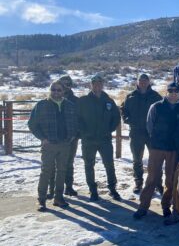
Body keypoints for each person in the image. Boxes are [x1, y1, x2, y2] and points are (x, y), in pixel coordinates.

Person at [133, 82, 179, 220]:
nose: (173, 93)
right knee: (152, 177)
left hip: (173, 149)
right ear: (167, 92)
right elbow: (149, 125)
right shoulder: (156, 106)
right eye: (171, 90)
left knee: (171, 180)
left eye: (176, 91)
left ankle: (166, 206)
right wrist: (156, 139)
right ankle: (143, 206)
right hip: (157, 147)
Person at [28, 81, 78, 211]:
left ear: (63, 91)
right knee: (46, 171)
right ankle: (41, 200)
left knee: (62, 171)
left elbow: (75, 122)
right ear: (50, 91)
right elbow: (32, 124)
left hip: (65, 144)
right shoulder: (42, 105)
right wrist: (42, 138)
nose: (56, 92)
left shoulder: (69, 105)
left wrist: (72, 135)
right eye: (53, 90)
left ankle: (58, 198)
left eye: (59, 90)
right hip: (49, 144)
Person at [78, 74, 121, 201]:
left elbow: (116, 118)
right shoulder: (83, 101)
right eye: (94, 83)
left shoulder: (109, 101)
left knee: (109, 164)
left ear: (103, 84)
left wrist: (108, 130)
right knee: (89, 165)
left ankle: (112, 188)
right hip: (88, 140)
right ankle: (93, 190)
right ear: (91, 85)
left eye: (100, 82)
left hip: (104, 139)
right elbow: (77, 119)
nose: (97, 85)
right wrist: (84, 132)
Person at [121, 73, 162, 193]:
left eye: (145, 80)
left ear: (149, 82)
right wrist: (127, 120)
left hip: (152, 134)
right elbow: (123, 110)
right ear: (137, 82)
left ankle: (157, 183)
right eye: (141, 80)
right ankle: (138, 183)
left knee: (155, 160)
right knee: (137, 160)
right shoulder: (130, 96)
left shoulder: (156, 96)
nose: (143, 82)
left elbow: (162, 112)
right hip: (136, 133)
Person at [47, 75, 79, 197]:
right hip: (54, 137)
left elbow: (79, 119)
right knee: (53, 164)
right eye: (63, 83)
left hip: (71, 138)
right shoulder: (51, 99)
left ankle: (69, 187)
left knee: (69, 163)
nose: (66, 86)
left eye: (68, 83)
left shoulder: (76, 100)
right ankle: (52, 189)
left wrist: (75, 134)